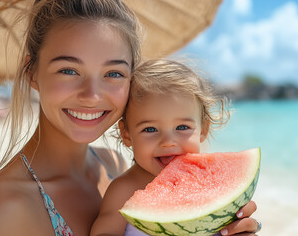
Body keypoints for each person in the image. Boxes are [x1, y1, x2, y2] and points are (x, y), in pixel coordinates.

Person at [0, 0, 259, 236]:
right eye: (69, 70)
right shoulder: (2, 209)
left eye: (113, 74)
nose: (92, 95)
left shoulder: (113, 165)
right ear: (31, 72)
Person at [90, 59, 260, 236]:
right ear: (127, 134)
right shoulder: (122, 191)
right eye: (150, 129)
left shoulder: (215, 187)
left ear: (203, 129)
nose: (168, 141)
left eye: (182, 127)